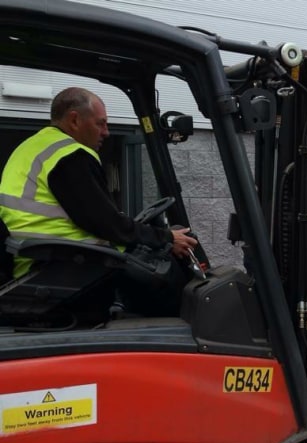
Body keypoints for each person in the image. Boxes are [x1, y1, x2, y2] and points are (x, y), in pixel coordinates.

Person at [0, 87, 197, 317]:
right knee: (164, 293)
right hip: (64, 270)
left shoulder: (31, 148)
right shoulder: (70, 155)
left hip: (41, 263)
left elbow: (99, 218)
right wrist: (166, 238)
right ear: (74, 120)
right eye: (100, 123)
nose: (106, 132)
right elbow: (106, 224)